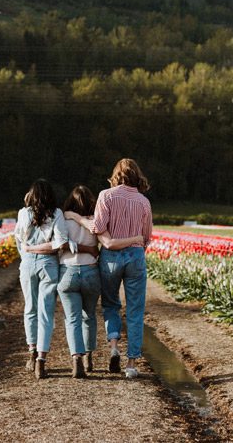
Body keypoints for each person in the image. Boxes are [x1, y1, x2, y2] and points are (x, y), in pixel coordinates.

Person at [26, 185, 142, 378]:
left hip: (67, 272)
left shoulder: (63, 219)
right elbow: (98, 246)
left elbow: (60, 244)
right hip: (90, 273)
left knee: (72, 319)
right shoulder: (95, 222)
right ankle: (89, 356)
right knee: (89, 316)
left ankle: (76, 359)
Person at [68, 158, 152, 379]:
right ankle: (132, 363)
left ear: (116, 175)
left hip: (111, 257)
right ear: (137, 176)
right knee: (135, 310)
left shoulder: (106, 195)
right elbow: (147, 237)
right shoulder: (144, 202)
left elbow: (97, 227)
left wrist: (76, 218)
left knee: (111, 304)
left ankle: (114, 346)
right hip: (135, 256)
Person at [14, 179, 97, 379]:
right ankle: (41, 360)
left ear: (31, 195)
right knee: (45, 313)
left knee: (30, 309)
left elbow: (19, 241)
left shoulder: (23, 213)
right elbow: (59, 243)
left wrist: (29, 251)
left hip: (27, 264)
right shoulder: (57, 214)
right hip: (49, 265)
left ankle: (32, 352)